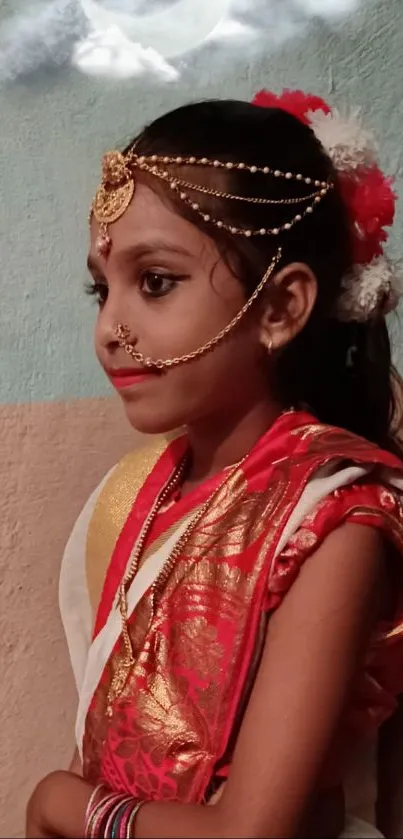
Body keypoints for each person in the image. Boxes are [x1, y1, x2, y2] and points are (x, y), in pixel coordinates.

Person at [26, 90, 403, 839]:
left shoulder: (333, 520)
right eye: (101, 290)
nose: (109, 330)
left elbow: (250, 830)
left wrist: (61, 803)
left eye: (155, 282)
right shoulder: (139, 490)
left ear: (280, 309)